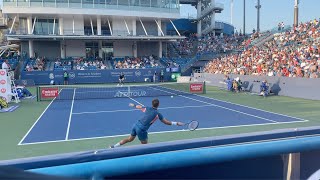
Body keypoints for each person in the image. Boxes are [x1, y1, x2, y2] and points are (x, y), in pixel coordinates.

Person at [110, 99, 184, 148]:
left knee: (130, 139)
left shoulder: (147, 108)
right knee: (145, 146)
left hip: (136, 125)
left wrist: (134, 105)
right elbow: (166, 122)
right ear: (158, 105)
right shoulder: (158, 114)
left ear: (152, 104)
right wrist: (176, 123)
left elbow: (139, 107)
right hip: (141, 129)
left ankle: (114, 146)